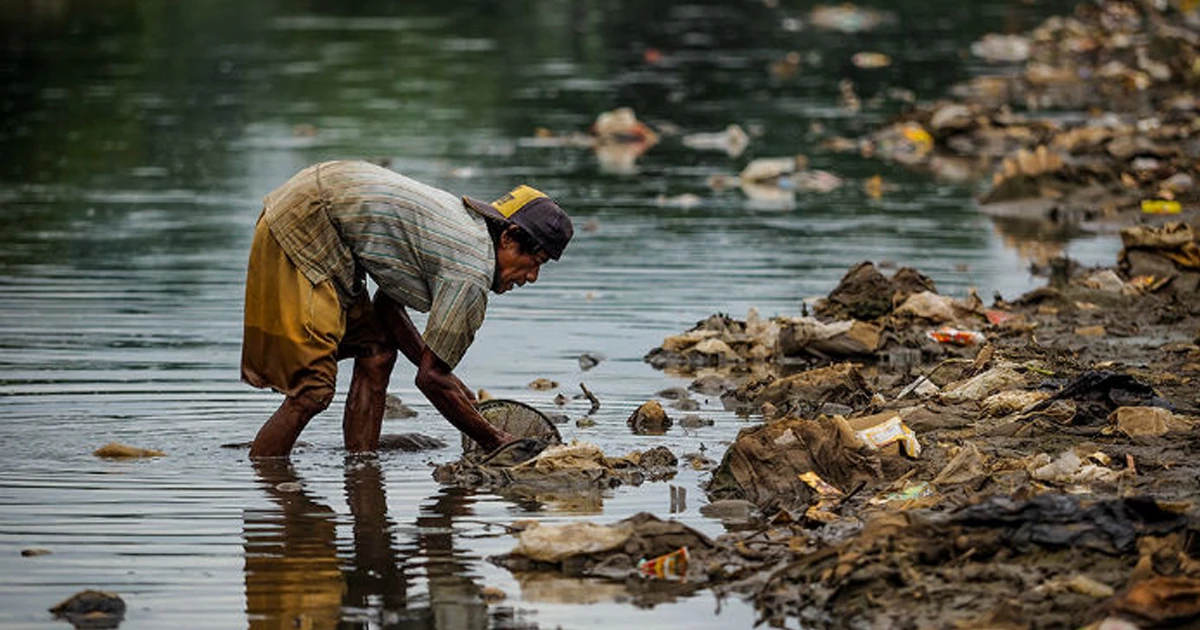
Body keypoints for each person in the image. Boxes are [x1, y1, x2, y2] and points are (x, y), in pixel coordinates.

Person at [240, 160, 573, 460]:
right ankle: (268, 480)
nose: (532, 277)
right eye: (535, 261)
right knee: (312, 391)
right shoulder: (470, 271)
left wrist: (447, 378)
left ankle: (361, 470)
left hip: (325, 205)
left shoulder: (468, 233)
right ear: (508, 238)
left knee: (377, 351)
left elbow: (387, 307)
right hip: (308, 222)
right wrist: (495, 440)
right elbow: (430, 379)